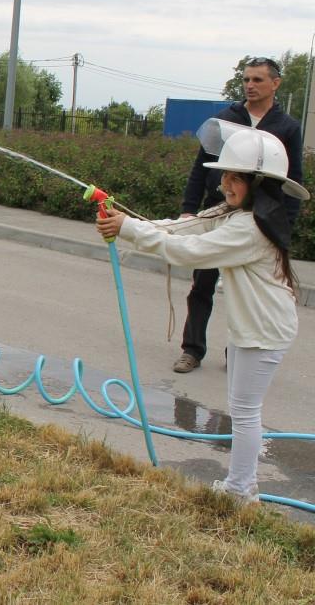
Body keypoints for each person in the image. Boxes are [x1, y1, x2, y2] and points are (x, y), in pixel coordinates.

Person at [97, 122, 309, 504]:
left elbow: (190, 252)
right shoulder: (236, 213)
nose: (225, 183)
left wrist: (129, 229)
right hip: (255, 326)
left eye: (235, 177)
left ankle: (241, 490)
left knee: (244, 413)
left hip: (265, 331)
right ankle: (241, 486)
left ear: (260, 183)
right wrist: (131, 225)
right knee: (243, 409)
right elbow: (186, 228)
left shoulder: (250, 228)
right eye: (224, 174)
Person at [173, 56, 303, 373]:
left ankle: (237, 354)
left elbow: (294, 179)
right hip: (219, 211)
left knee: (242, 292)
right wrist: (190, 211)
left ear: (276, 83)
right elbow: (199, 168)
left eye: (258, 80)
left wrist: (282, 226)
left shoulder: (286, 128)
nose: (250, 85)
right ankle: (192, 350)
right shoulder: (225, 119)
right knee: (202, 284)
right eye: (246, 79)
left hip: (259, 221)